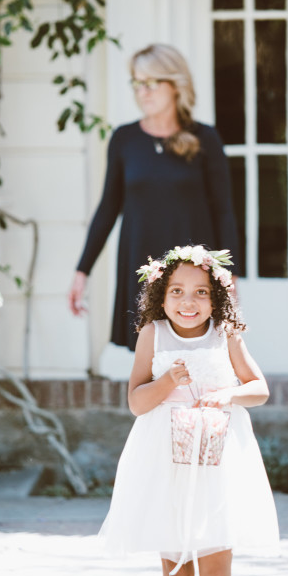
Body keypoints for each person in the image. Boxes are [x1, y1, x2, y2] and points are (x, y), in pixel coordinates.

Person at [98, 245, 279, 576]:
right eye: (177, 291)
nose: (188, 301)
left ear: (215, 298)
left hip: (219, 464)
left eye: (200, 292)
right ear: (161, 295)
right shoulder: (152, 335)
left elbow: (259, 388)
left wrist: (228, 394)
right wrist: (166, 384)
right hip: (166, 465)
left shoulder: (226, 335)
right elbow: (137, 402)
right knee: (177, 571)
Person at [68, 43, 239, 351]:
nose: (142, 92)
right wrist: (83, 271)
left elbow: (224, 211)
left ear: (175, 85)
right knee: (148, 367)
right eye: (137, 83)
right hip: (141, 266)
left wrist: (230, 274)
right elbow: (108, 207)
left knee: (194, 362)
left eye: (150, 83)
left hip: (193, 276)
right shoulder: (124, 140)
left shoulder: (205, 139)